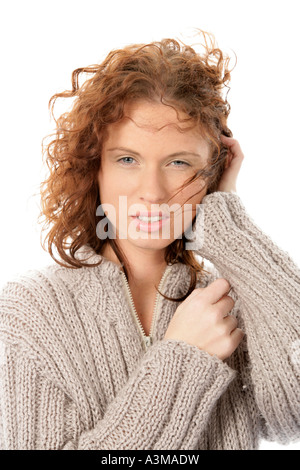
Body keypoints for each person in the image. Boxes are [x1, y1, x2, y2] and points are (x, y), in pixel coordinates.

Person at [0, 30, 299, 450]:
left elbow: (295, 412)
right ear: (94, 169)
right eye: (127, 159)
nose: (153, 191)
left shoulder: (233, 302)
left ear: (211, 175)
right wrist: (184, 360)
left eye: (179, 162)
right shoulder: (29, 312)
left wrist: (232, 228)